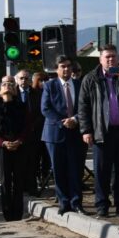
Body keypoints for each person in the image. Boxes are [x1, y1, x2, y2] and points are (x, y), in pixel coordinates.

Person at [79, 44, 119, 218]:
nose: (110, 59)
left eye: (113, 56)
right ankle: (102, 206)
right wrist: (86, 130)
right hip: (102, 132)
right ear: (100, 59)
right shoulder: (91, 78)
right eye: (107, 57)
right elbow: (83, 106)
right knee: (102, 172)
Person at [41, 56, 85, 215]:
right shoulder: (49, 86)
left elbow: (86, 106)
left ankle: (76, 202)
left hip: (76, 132)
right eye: (62, 66)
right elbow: (45, 109)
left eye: (68, 66)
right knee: (58, 169)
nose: (66, 69)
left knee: (76, 169)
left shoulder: (80, 85)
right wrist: (63, 122)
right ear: (56, 69)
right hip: (55, 134)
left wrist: (75, 119)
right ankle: (63, 202)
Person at [0, 78, 32, 220]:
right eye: (5, 85)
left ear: (15, 90)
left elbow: (27, 126)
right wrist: (2, 143)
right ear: (0, 91)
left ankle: (18, 212)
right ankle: (7, 212)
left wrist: (20, 141)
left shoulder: (22, 106)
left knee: (19, 180)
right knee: (5, 181)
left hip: (19, 146)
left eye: (11, 85)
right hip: (2, 147)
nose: (8, 86)